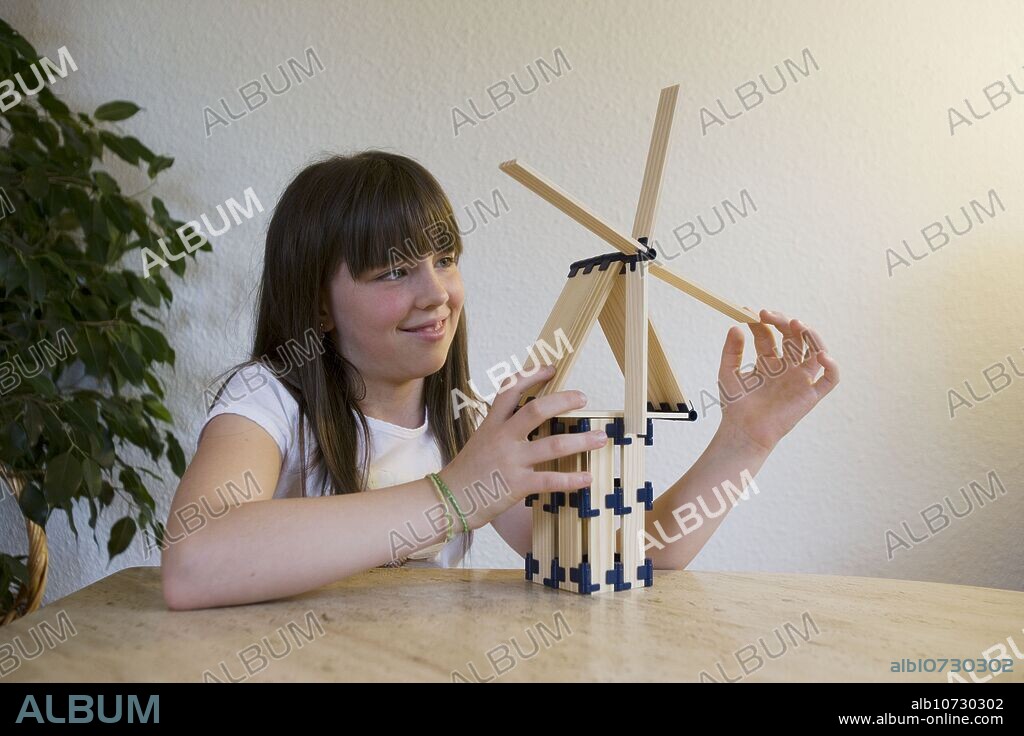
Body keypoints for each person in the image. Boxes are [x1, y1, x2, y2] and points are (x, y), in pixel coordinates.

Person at [160, 150, 839, 611]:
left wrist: (745, 442)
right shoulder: (267, 397)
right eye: (395, 271)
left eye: (446, 259)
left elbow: (625, 556)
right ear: (315, 304)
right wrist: (456, 493)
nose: (438, 294)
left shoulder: (466, 421)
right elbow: (195, 563)